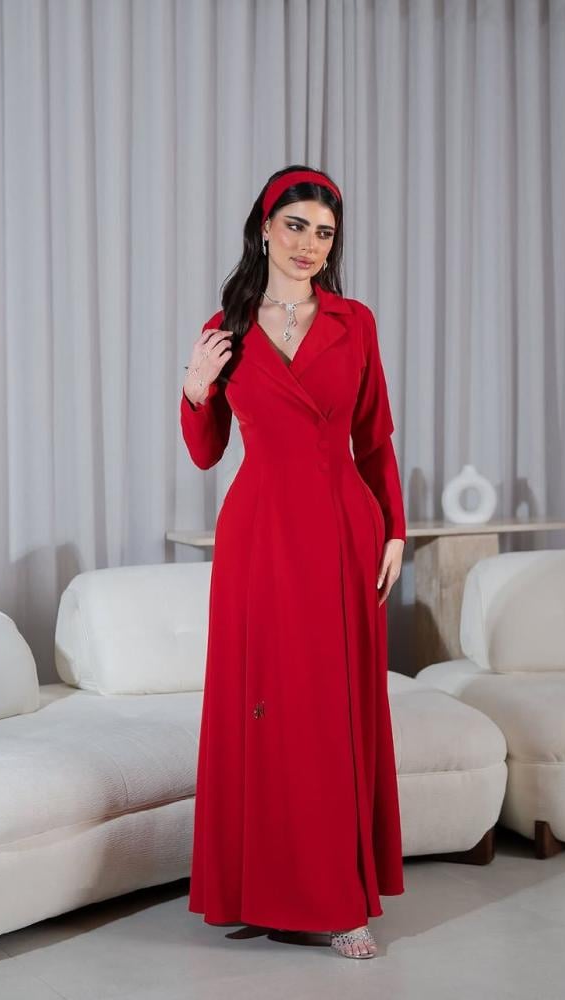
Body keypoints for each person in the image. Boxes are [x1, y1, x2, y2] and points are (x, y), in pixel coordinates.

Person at [180, 165, 407, 960]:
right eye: (297, 226)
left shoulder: (353, 321)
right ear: (265, 228)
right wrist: (195, 388)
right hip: (260, 534)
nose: (310, 245)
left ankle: (339, 899)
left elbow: (374, 438)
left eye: (325, 233)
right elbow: (206, 452)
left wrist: (395, 531)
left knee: (328, 712)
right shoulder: (226, 326)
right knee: (264, 708)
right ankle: (259, 889)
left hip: (343, 528)